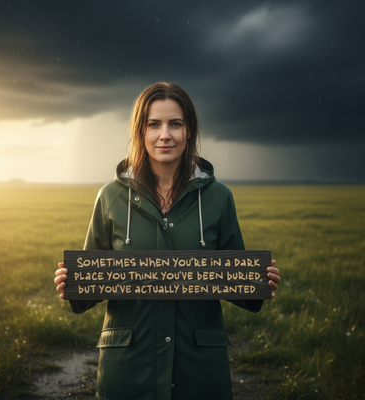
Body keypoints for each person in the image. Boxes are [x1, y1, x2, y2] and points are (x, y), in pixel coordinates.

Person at [54, 82, 280, 400]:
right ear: (140, 132)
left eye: (175, 124)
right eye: (154, 124)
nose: (165, 135)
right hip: (129, 368)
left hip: (199, 370)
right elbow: (91, 282)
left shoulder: (218, 198)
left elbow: (236, 278)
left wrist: (258, 284)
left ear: (188, 131)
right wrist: (72, 285)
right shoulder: (110, 197)